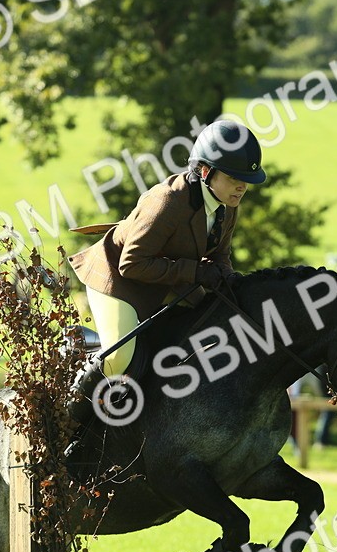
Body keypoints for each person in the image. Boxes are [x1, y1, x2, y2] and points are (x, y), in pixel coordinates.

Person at [66, 119, 264, 423]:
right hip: (117, 281)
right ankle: (67, 422)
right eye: (234, 177)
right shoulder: (168, 201)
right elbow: (131, 264)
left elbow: (220, 255)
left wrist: (231, 283)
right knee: (119, 359)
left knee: (221, 325)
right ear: (206, 171)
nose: (242, 186)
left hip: (166, 279)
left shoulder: (227, 203)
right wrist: (195, 272)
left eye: (245, 180)